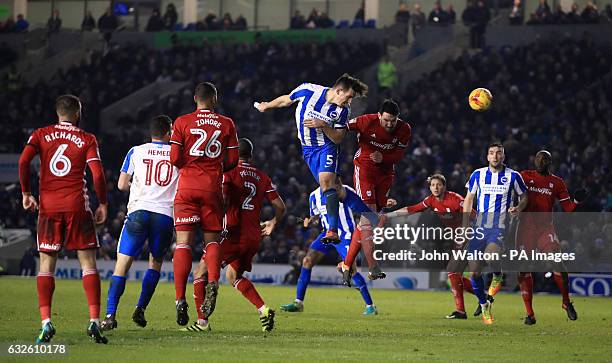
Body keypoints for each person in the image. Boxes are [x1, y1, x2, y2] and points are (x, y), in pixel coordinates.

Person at [18, 95, 109, 344]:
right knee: (88, 264)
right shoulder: (87, 138)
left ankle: (46, 323)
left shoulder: (40, 134)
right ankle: (93, 321)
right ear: (77, 114)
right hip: (77, 206)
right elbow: (98, 175)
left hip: (48, 207)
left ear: (58, 112)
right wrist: (103, 202)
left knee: (46, 265)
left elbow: (24, 161)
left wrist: (26, 193)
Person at [255, 74, 378, 246]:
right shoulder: (308, 90)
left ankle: (333, 230)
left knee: (326, 184)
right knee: (338, 190)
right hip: (308, 149)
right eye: (349, 97)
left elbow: (338, 138)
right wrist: (267, 105)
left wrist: (324, 125)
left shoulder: (343, 111)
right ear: (338, 90)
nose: (349, 102)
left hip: (327, 147)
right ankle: (373, 217)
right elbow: (287, 100)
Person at [184, 138, 285, 332]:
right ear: (251, 156)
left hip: (231, 233)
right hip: (254, 236)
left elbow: (222, 198)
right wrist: (273, 222)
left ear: (233, 154)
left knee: (200, 272)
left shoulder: (228, 172)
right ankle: (264, 310)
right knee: (233, 275)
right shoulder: (262, 176)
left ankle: (202, 322)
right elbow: (280, 206)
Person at [169, 82, 239, 326]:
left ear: (195, 98)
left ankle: (179, 299)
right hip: (212, 188)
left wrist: (192, 164)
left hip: (187, 187)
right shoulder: (227, 123)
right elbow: (232, 160)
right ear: (214, 99)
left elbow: (175, 158)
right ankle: (212, 282)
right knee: (211, 242)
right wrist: (213, 166)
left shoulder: (181, 122)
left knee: (183, 244)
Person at [100, 115, 179, 331]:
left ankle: (109, 314)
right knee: (155, 263)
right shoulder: (177, 154)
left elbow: (121, 185)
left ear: (151, 132)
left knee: (122, 265)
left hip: (139, 211)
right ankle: (140, 308)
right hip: (164, 214)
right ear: (168, 132)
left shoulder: (136, 150)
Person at [340, 99, 411, 285]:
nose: (389, 124)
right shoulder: (365, 121)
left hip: (386, 174)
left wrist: (384, 157)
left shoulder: (404, 129)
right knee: (369, 214)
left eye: (393, 121)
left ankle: (347, 264)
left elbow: (399, 155)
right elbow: (342, 126)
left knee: (368, 220)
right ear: (379, 115)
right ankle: (372, 266)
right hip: (364, 170)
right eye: (386, 120)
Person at [386, 174, 476, 319]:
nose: (435, 187)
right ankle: (480, 299)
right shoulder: (431, 201)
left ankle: (464, 309)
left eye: (438, 185)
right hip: (456, 238)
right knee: (453, 274)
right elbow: (412, 209)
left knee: (453, 271)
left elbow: (474, 215)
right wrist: (387, 216)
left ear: (444, 187)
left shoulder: (455, 200)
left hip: (469, 235)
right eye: (433, 185)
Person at [280, 185, 377, 316]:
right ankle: (298, 302)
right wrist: (310, 220)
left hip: (345, 236)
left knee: (350, 269)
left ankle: (370, 306)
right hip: (326, 235)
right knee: (307, 260)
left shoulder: (344, 190)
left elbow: (362, 207)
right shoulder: (314, 196)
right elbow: (315, 216)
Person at [516, 150, 588, 325]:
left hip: (544, 228)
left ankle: (566, 302)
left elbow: (568, 209)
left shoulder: (557, 182)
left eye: (544, 159)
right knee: (522, 270)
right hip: (525, 229)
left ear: (549, 162)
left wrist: (577, 201)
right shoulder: (524, 176)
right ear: (534, 160)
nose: (540, 161)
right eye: (538, 158)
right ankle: (530, 314)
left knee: (557, 260)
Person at [462, 143, 528, 325]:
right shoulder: (478, 174)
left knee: (491, 255)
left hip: (499, 227)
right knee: (474, 273)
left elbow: (524, 197)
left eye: (499, 153)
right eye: (492, 153)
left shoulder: (513, 176)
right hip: (478, 228)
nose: (495, 156)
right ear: (487, 157)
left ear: (504, 156)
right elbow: (469, 198)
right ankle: (484, 305)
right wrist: (465, 224)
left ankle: (497, 273)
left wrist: (518, 207)